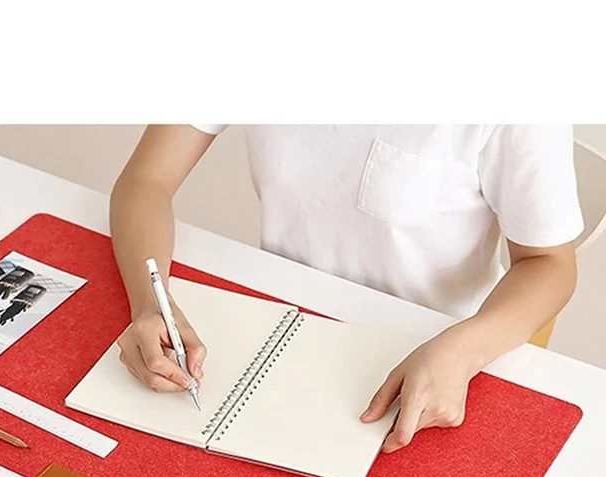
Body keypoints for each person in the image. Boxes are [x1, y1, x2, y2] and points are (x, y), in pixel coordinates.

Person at [109, 125, 583, 453]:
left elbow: (550, 265)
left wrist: (462, 352)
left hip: (434, 366)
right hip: (283, 339)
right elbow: (147, 179)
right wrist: (151, 304)